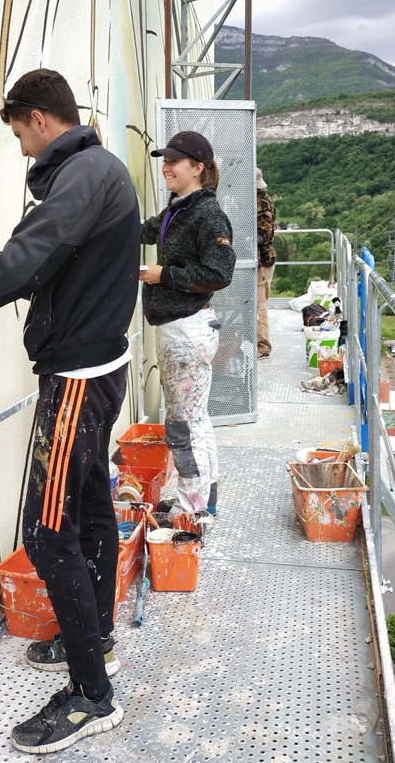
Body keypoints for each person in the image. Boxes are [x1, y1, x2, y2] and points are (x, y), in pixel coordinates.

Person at [0, 68, 139, 755]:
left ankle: (91, 698)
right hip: (101, 366)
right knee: (93, 509)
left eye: (17, 134)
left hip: (75, 376)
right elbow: (49, 264)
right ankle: (94, 644)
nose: (19, 150)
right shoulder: (99, 171)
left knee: (47, 534)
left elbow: (31, 260)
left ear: (41, 119)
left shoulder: (82, 173)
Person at [139, 131, 236, 523]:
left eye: (174, 160)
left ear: (198, 168)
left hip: (186, 331)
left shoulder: (207, 213)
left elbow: (219, 271)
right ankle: (204, 501)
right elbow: (144, 231)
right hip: (180, 329)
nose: (166, 165)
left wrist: (164, 275)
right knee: (196, 419)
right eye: (164, 159)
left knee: (181, 424)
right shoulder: (178, 208)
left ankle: (189, 511)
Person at [256, 167, 277, 358]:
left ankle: (262, 345)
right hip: (264, 259)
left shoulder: (261, 204)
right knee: (260, 302)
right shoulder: (264, 199)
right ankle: (261, 343)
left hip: (262, 259)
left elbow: (263, 234)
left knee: (259, 303)